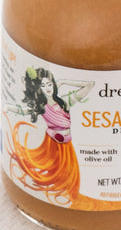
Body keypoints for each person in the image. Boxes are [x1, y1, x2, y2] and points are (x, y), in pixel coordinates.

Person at [6, 69, 90, 207]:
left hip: (67, 145)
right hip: (52, 143)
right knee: (49, 173)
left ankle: (68, 199)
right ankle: (55, 198)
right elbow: (24, 110)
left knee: (70, 178)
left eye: (50, 84)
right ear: (38, 89)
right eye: (43, 86)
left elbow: (89, 85)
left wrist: (63, 82)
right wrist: (9, 107)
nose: (48, 88)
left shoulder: (65, 102)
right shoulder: (42, 107)